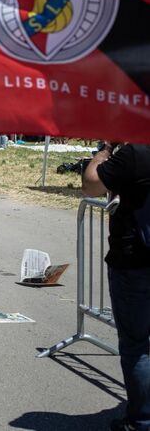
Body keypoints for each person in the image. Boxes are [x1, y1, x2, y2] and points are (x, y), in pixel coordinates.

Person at [84, 142, 150, 431]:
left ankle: (142, 421)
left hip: (135, 262)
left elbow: (91, 185)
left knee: (136, 346)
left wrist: (104, 151)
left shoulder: (135, 153)